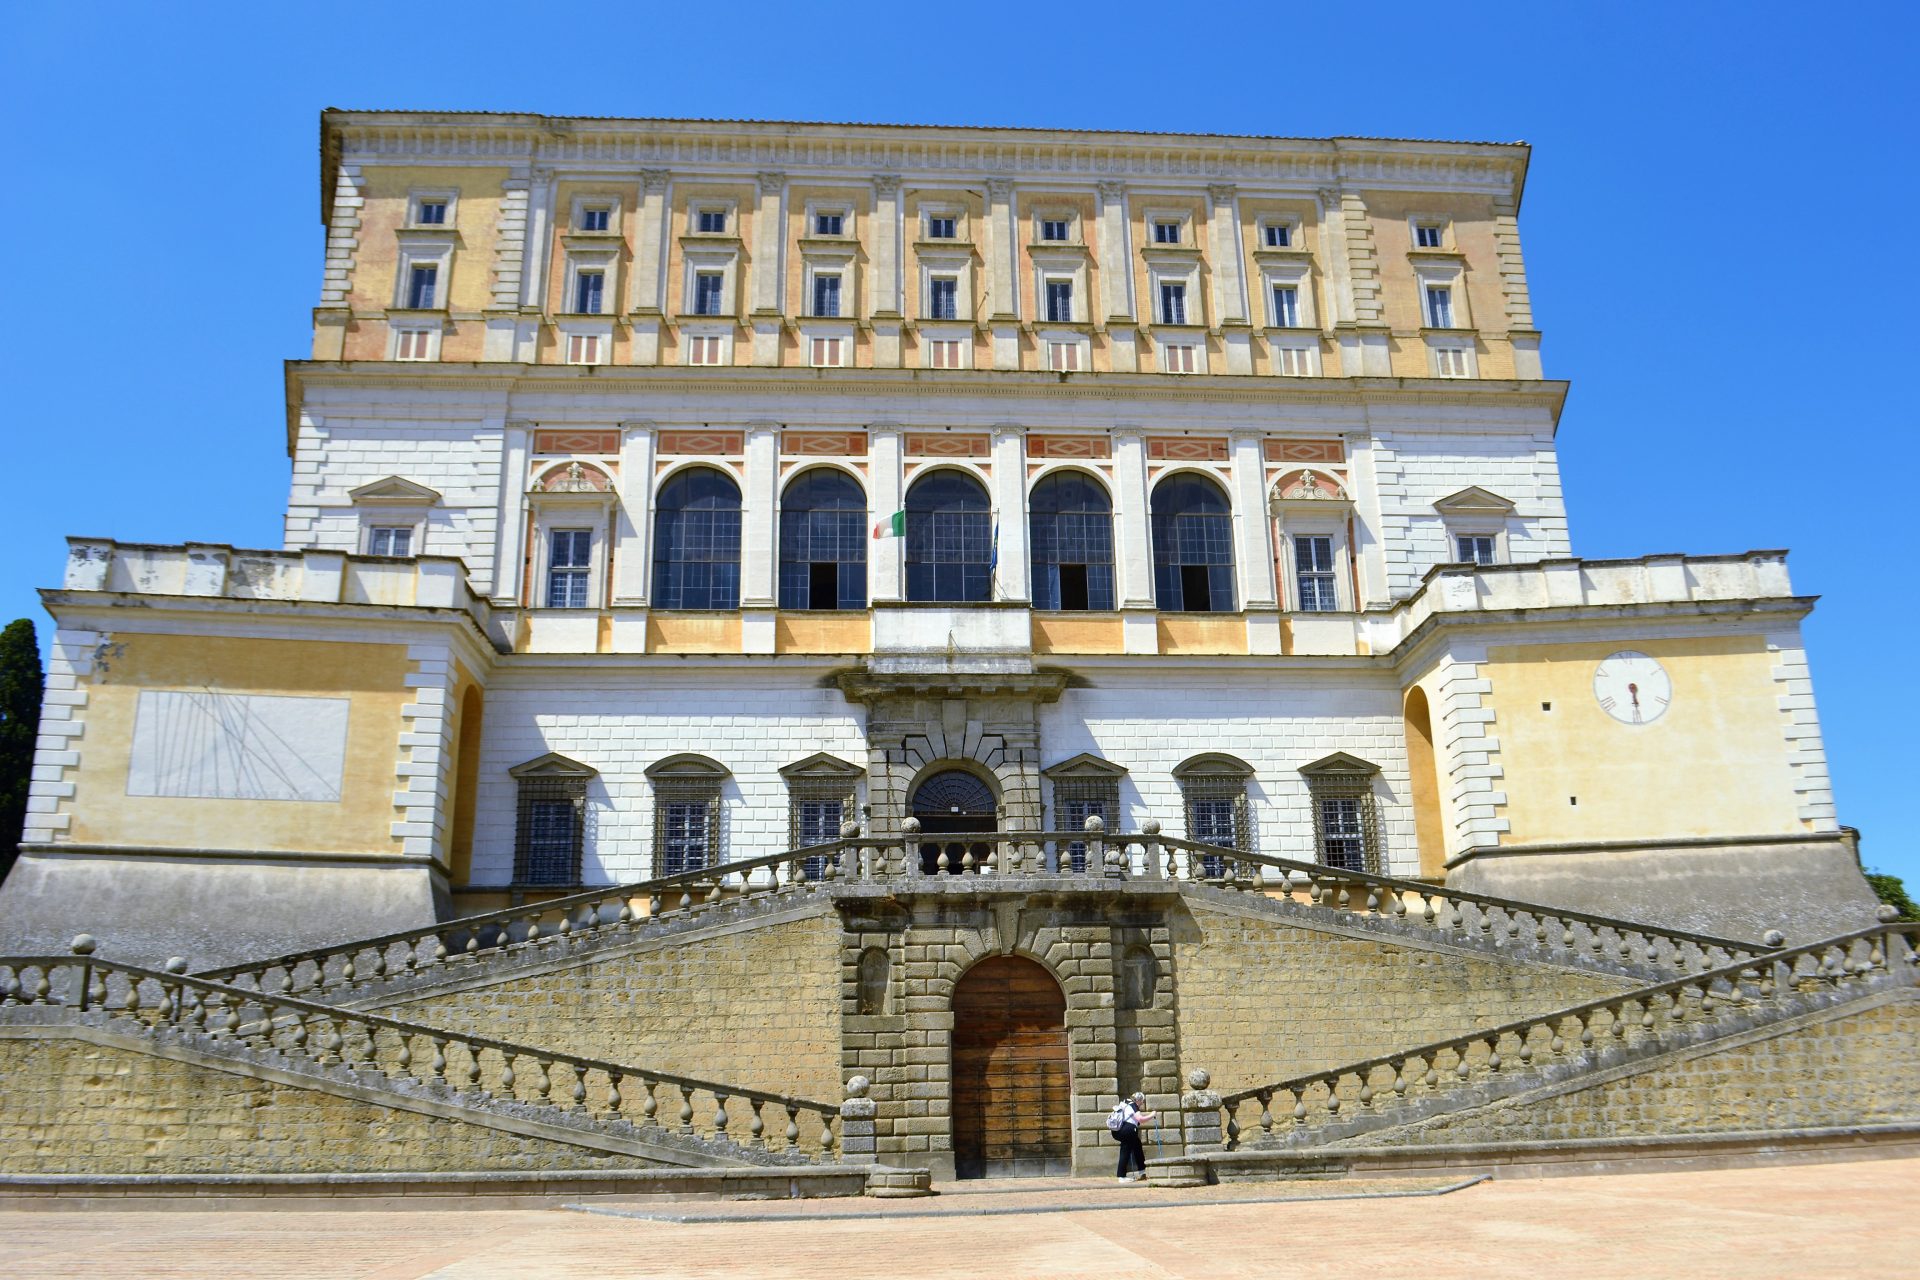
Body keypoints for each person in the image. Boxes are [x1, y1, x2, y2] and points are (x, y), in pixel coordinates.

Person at [1112, 1091, 1156, 1182]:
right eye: (1142, 1101)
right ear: (1138, 1100)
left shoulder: (1125, 1103)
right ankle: (1121, 1177)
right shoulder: (1133, 1105)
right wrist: (1152, 1114)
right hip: (1127, 1130)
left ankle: (1142, 1171)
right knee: (1125, 1151)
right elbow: (1140, 1119)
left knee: (1137, 1146)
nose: (1142, 1103)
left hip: (1118, 1130)